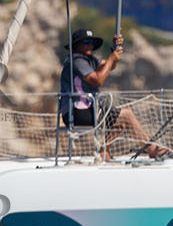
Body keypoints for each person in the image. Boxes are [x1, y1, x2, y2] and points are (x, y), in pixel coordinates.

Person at [59, 29, 165, 158]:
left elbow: (110, 66)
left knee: (120, 120)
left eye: (92, 42)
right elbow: (97, 80)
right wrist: (111, 58)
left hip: (87, 109)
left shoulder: (88, 60)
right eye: (86, 42)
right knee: (127, 115)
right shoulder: (77, 61)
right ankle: (152, 150)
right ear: (76, 45)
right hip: (76, 111)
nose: (90, 45)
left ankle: (104, 152)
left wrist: (115, 49)